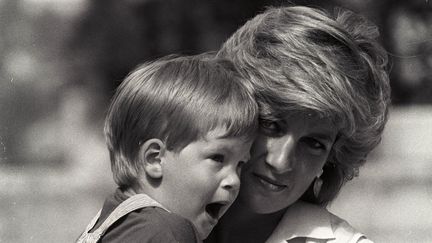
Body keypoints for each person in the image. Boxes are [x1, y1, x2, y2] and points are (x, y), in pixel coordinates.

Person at [205, 5, 391, 243]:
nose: (280, 162)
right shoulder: (153, 213)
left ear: (330, 161)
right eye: (271, 125)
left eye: (313, 144)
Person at [76, 55, 258, 242]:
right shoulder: (166, 231)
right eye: (218, 158)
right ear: (154, 159)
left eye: (240, 164)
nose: (234, 180)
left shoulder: (112, 223)